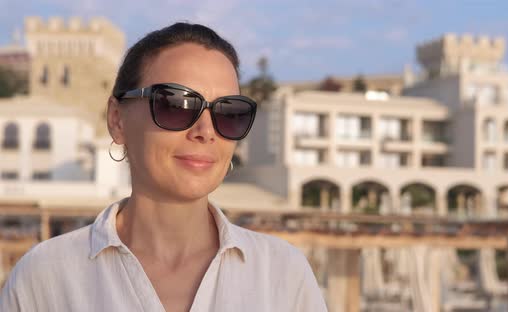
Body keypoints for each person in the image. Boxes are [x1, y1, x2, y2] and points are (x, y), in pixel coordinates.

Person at [0, 22, 327, 312]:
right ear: (117, 119)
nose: (205, 131)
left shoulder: (283, 275)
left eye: (229, 112)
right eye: (176, 104)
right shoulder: (45, 278)